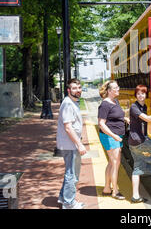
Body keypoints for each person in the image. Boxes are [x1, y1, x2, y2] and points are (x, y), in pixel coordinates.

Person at [56, 78, 86, 209]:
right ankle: (69, 203)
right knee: (72, 174)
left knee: (70, 172)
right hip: (70, 145)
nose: (77, 90)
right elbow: (68, 127)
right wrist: (79, 144)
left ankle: (63, 198)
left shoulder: (73, 102)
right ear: (68, 90)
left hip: (70, 143)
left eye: (79, 88)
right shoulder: (68, 103)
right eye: (74, 88)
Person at [97, 80, 129, 200]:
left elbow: (115, 116)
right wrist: (114, 136)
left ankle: (106, 188)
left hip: (116, 136)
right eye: (115, 88)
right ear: (109, 91)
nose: (118, 89)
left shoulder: (114, 101)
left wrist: (124, 119)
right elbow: (101, 123)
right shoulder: (105, 104)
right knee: (115, 163)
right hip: (110, 137)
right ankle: (115, 191)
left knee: (112, 162)